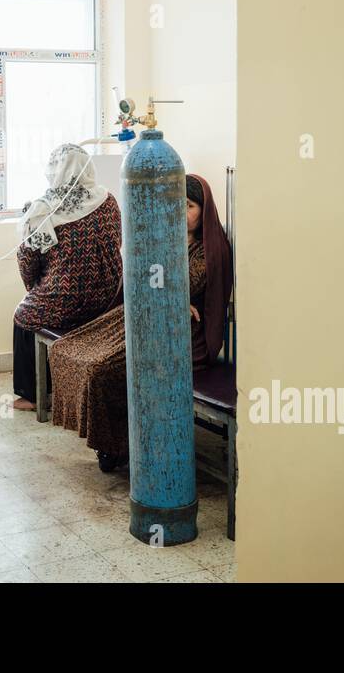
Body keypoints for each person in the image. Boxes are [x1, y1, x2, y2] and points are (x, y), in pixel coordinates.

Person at [47, 173, 233, 471]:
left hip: (179, 333)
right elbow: (139, 274)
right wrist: (168, 295)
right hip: (146, 315)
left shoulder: (210, 249)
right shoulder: (166, 237)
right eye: (175, 204)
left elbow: (181, 283)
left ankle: (118, 446)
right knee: (66, 349)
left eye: (188, 206)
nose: (180, 212)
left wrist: (172, 297)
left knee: (101, 368)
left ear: (204, 209)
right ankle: (111, 439)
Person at [11, 143, 123, 411]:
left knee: (24, 316)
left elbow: (28, 262)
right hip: (109, 296)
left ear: (54, 170)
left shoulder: (42, 211)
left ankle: (33, 395)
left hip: (66, 302)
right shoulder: (108, 200)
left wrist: (34, 289)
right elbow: (117, 242)